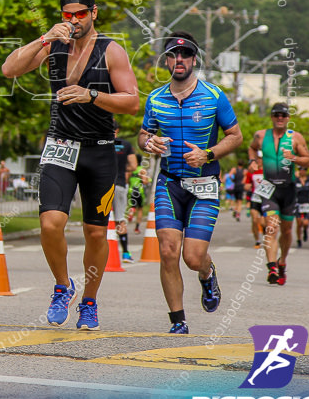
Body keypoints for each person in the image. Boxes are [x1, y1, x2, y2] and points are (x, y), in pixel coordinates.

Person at [3, 0, 138, 332]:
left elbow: (131, 101)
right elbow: (9, 69)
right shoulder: (54, 46)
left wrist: (91, 94)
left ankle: (89, 302)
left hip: (100, 150)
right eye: (67, 15)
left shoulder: (111, 51)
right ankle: (63, 287)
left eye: (80, 13)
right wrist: (44, 38)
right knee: (50, 223)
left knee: (96, 233)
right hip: (59, 146)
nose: (74, 20)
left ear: (93, 14)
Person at [138, 32, 242, 334]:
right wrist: (149, 143)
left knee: (193, 258)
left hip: (204, 185)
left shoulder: (213, 96)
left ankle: (207, 274)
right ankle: (178, 320)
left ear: (194, 60)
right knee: (168, 250)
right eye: (173, 55)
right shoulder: (155, 99)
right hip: (169, 183)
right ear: (166, 60)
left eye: (185, 55)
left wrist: (207, 153)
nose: (179, 60)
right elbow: (143, 134)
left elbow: (235, 136)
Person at [248, 102, 309, 286]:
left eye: (283, 115)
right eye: (276, 114)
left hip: (289, 189)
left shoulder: (295, 138)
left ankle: (282, 261)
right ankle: (272, 267)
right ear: (272, 116)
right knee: (271, 226)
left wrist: (293, 158)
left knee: (287, 230)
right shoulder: (261, 135)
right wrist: (253, 161)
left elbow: (307, 161)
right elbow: (252, 148)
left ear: (288, 118)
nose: (280, 118)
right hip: (270, 189)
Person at [112, 121, 138, 262]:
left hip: (99, 186)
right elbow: (134, 165)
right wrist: (123, 170)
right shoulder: (125, 145)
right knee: (120, 219)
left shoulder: (99, 143)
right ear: (117, 130)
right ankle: (126, 253)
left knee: (97, 221)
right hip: (119, 184)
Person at [245, 157, 265, 248]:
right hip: (255, 199)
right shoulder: (251, 172)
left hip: (265, 200)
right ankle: (257, 241)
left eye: (261, 159)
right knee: (254, 220)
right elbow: (247, 185)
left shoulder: (268, 171)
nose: (259, 161)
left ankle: (266, 238)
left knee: (263, 223)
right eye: (258, 160)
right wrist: (247, 186)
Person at [294, 166, 309, 248]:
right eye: (300, 170)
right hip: (298, 203)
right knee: (299, 223)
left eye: (303, 170)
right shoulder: (296, 180)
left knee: (305, 223)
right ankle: (299, 239)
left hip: (306, 203)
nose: (302, 171)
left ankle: (305, 230)